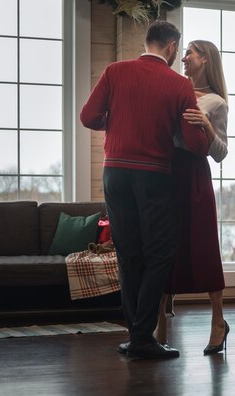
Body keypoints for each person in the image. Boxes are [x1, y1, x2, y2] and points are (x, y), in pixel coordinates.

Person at [80, 21, 210, 359]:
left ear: (147, 42)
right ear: (170, 47)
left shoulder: (114, 71)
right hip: (153, 175)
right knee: (161, 251)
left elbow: (88, 116)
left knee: (128, 254)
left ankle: (137, 336)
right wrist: (204, 128)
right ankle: (140, 337)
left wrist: (116, 121)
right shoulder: (179, 84)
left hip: (114, 174)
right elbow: (196, 144)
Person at [155, 40, 230, 355]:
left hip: (195, 177)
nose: (183, 57)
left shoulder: (216, 102)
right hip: (165, 176)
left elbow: (222, 153)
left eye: (190, 53)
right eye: (183, 52)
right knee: (162, 247)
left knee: (203, 246)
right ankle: (159, 323)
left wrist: (208, 129)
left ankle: (218, 320)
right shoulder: (172, 88)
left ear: (205, 59)